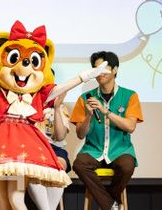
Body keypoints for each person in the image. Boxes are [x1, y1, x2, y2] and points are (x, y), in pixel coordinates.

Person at [71, 51, 144, 210]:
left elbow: (130, 127)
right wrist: (89, 115)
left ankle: (108, 201)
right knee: (79, 164)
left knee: (127, 166)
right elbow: (80, 134)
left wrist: (106, 112)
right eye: (96, 69)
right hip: (93, 149)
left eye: (104, 69)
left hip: (120, 150)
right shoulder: (85, 98)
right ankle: (111, 204)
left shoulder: (130, 96)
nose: (99, 73)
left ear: (115, 70)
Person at [27, 91, 71, 210]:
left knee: (59, 166)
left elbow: (60, 136)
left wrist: (56, 108)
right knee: (32, 169)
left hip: (55, 149)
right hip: (34, 148)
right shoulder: (28, 105)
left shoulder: (61, 108)